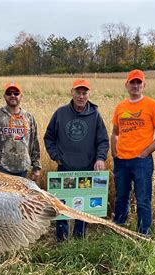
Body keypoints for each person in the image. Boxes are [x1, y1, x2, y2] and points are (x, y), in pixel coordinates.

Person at [44, 79, 109, 241]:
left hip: (86, 170)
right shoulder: (60, 113)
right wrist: (56, 156)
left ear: (89, 94)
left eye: (84, 93)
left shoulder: (95, 116)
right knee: (62, 207)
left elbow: (103, 141)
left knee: (83, 207)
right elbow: (49, 138)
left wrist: (100, 158)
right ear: (72, 93)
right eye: (78, 92)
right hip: (65, 169)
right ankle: (62, 239)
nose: (81, 96)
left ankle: (79, 238)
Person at [111, 69, 155, 235]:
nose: (135, 85)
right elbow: (115, 132)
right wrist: (114, 151)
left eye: (138, 82)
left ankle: (143, 233)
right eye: (132, 82)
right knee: (121, 197)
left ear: (144, 85)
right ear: (126, 85)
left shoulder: (153, 106)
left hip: (141, 161)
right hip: (121, 161)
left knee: (143, 199)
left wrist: (146, 152)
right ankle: (119, 229)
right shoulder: (121, 106)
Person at [0, 82, 41, 180]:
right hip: (1, 170)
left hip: (24, 170)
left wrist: (36, 167)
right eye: (9, 93)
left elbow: (35, 143)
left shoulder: (28, 117)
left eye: (16, 93)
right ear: (4, 96)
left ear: (21, 96)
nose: (12, 96)